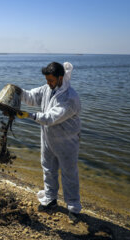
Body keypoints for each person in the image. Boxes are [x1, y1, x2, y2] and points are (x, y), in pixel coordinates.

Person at [18, 62, 81, 222]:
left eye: (51, 80)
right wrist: (18, 91)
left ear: (60, 78)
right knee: (48, 169)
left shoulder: (70, 98)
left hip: (67, 142)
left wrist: (30, 116)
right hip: (48, 138)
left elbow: (52, 117)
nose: (48, 83)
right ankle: (50, 199)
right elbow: (32, 97)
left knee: (69, 174)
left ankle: (73, 207)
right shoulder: (48, 88)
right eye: (47, 80)